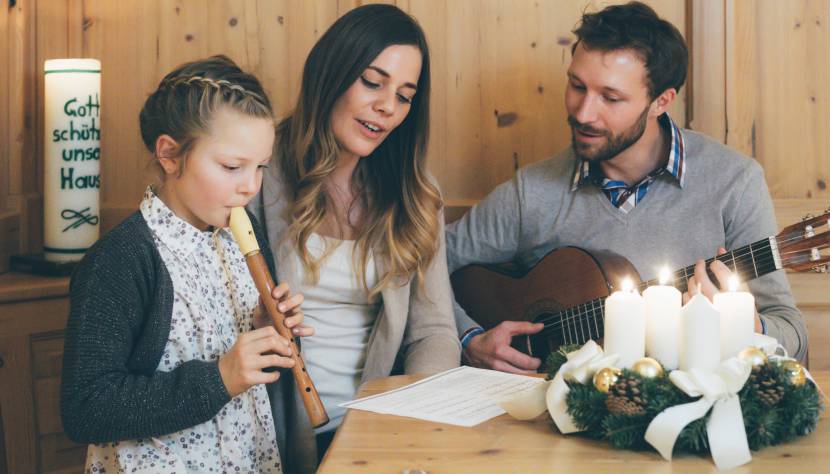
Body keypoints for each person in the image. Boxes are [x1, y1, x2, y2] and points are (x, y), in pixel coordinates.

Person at [447, 2, 807, 374]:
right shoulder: (532, 191)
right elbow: (423, 263)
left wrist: (750, 327)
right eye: (576, 86)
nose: (584, 113)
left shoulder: (734, 182)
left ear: (661, 101)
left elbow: (793, 333)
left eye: (611, 97)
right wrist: (469, 338)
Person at [60, 55, 311, 473]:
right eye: (232, 166)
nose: (250, 186)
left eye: (261, 166)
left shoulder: (242, 230)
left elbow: (256, 371)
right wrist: (220, 378)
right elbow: (86, 408)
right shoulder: (120, 260)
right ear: (170, 155)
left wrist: (269, 332)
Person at [249, 4, 461, 471]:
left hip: (375, 436)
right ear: (331, 73)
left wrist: (410, 425)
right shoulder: (257, 175)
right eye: (372, 81)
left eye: (405, 95)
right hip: (271, 434)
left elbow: (436, 331)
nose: (387, 106)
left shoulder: (416, 194)